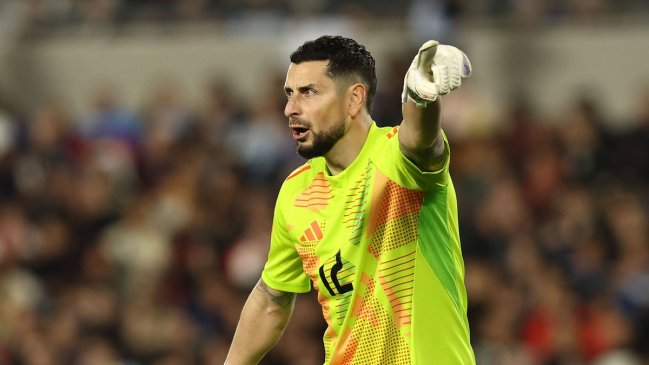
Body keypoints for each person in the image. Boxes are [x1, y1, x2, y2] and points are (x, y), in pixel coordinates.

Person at [226, 35, 475, 364]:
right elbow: (272, 299)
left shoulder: (394, 159)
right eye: (290, 94)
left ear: (354, 99)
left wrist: (420, 95)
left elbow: (421, 142)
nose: (290, 109)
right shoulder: (296, 192)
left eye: (308, 92)